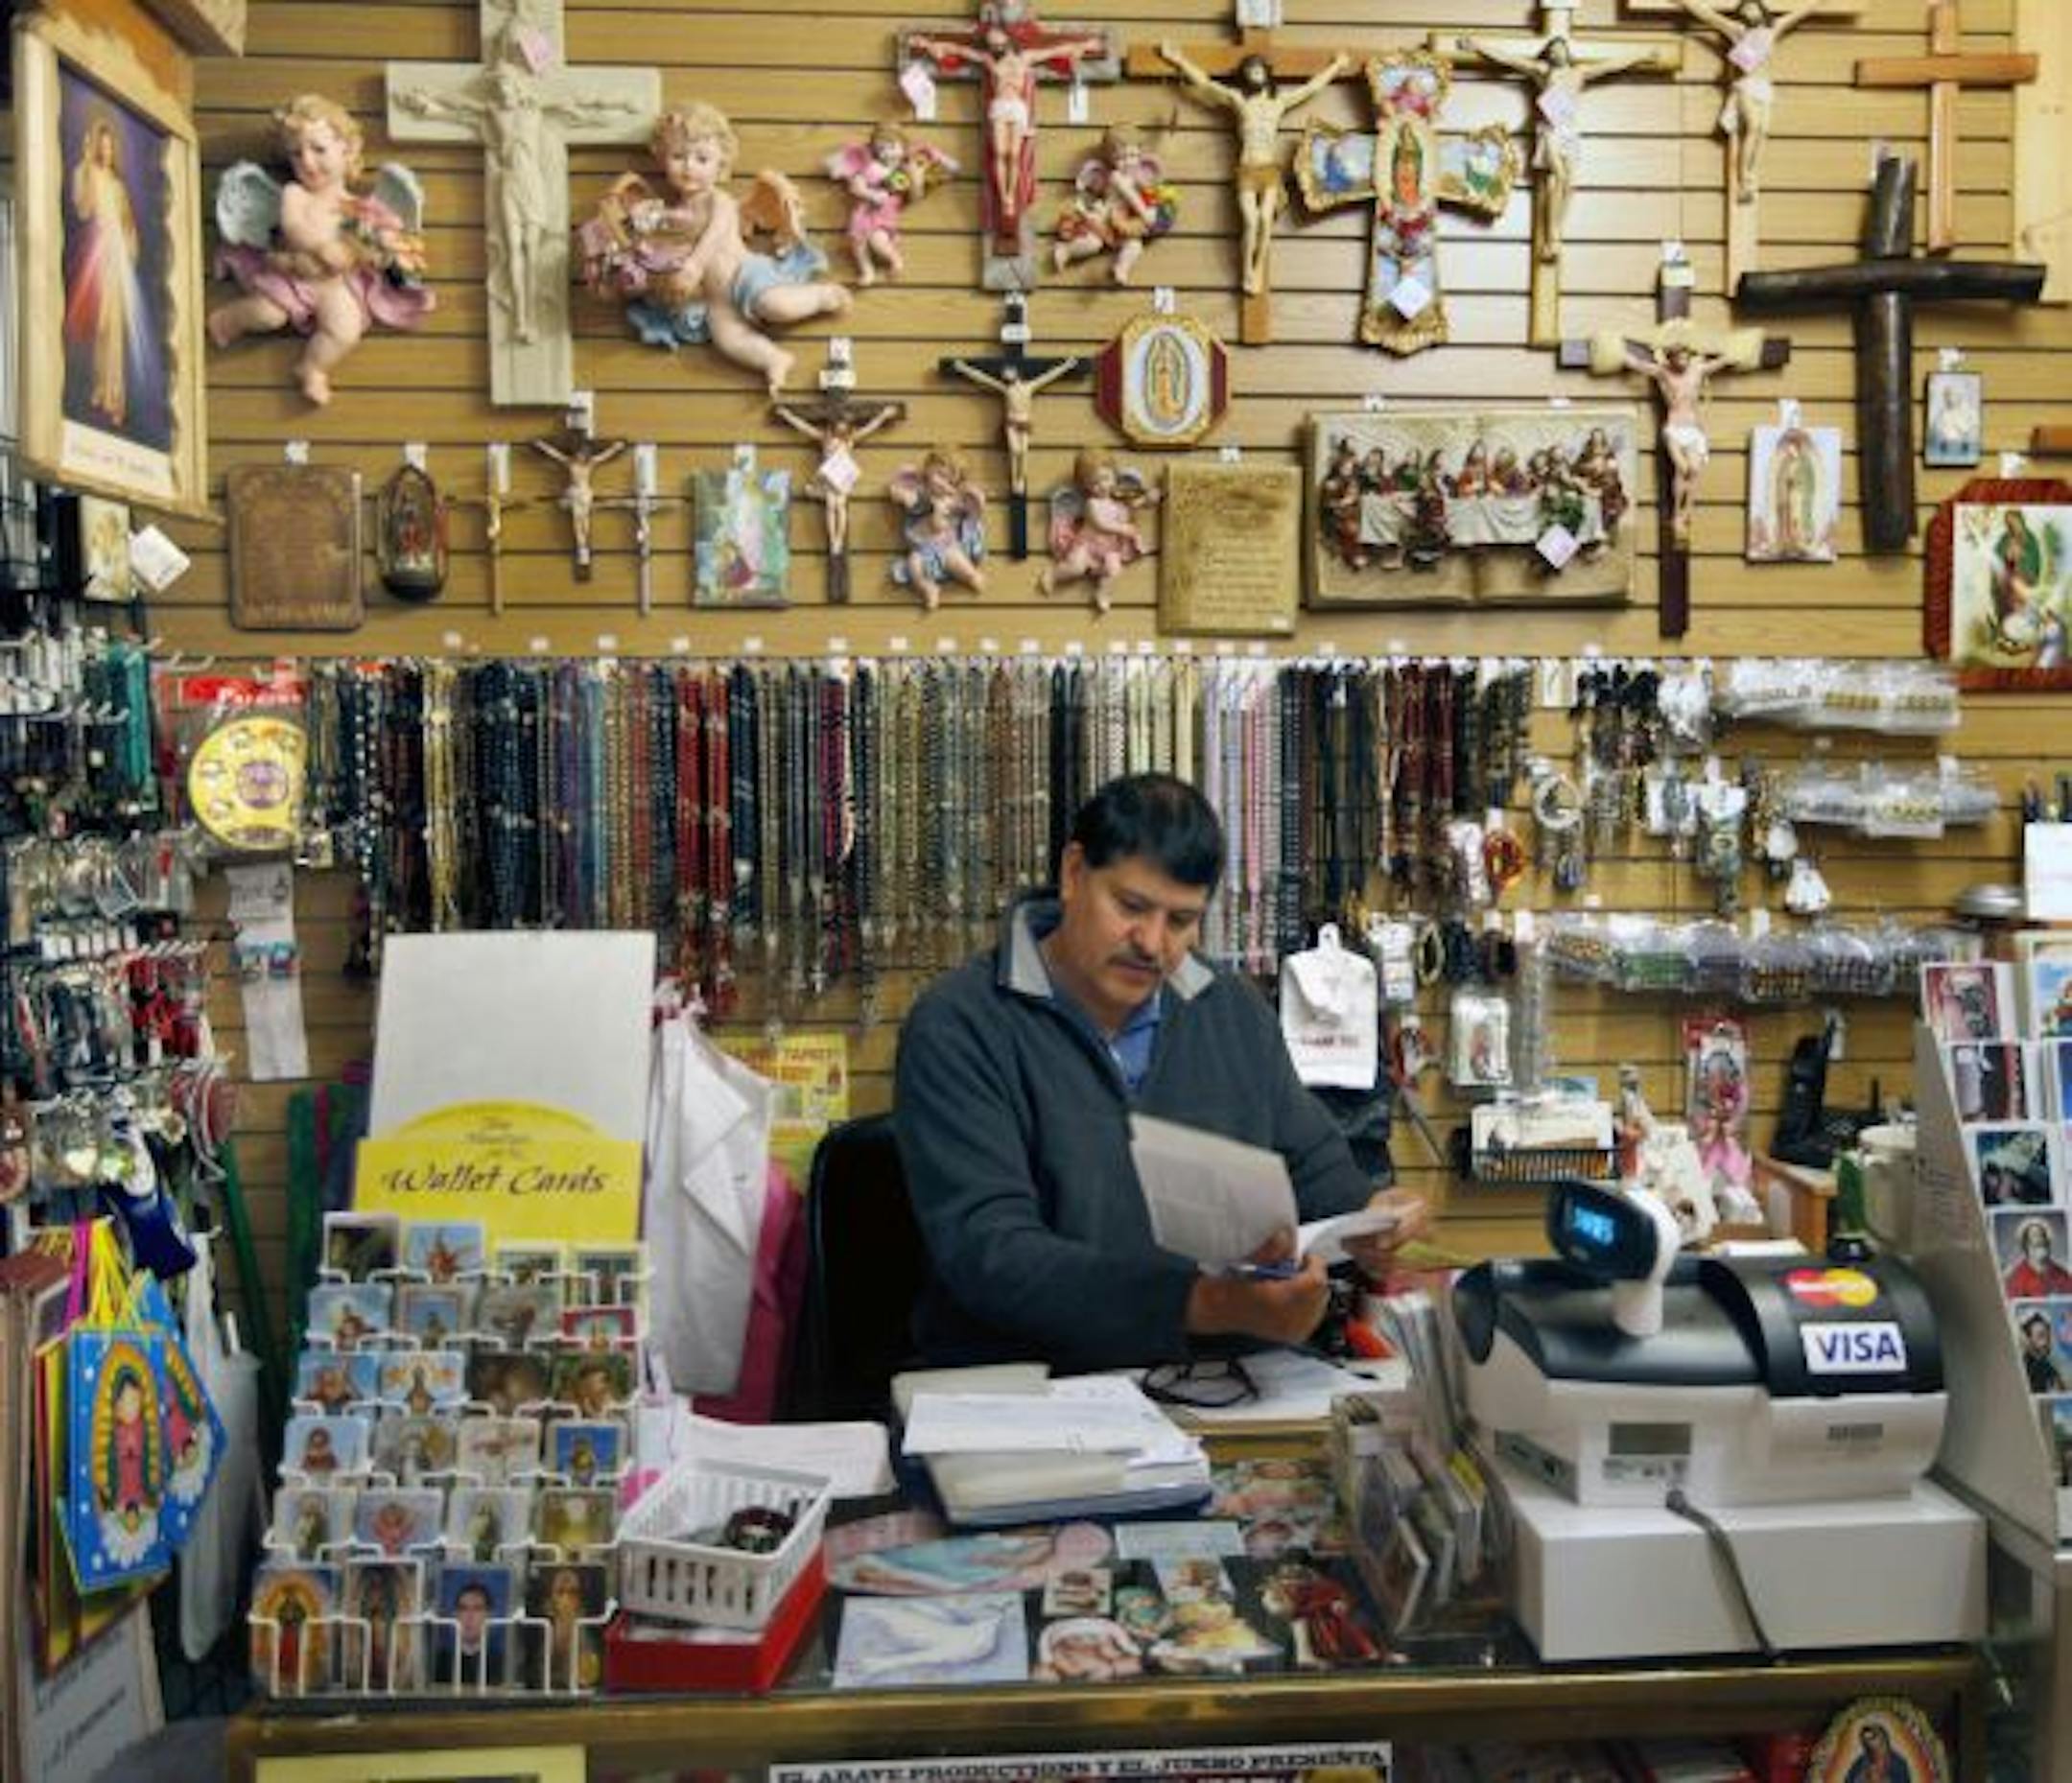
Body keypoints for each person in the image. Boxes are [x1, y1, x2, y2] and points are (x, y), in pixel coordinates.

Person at [895, 773, 1428, 1371]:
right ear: (1074, 874)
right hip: (1026, 1394)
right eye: (1131, 907)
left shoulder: (1229, 1011)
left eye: (1180, 921)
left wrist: (1370, 1223)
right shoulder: (960, 1025)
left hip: (1228, 1393)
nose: (1151, 943)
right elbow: (992, 1256)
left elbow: (1315, 1170)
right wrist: (1203, 1305)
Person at [208, 94, 434, 406]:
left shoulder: (357, 207)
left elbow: (374, 244)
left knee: (346, 330)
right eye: (296, 154)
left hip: (334, 285)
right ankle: (227, 319)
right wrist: (322, 245)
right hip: (294, 276)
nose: (308, 162)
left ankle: (312, 368)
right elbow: (293, 228)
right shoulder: (294, 194)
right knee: (267, 315)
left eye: (318, 149)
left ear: (347, 149)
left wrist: (367, 248)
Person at [1160, 45, 1348, 295]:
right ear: (1245, 75)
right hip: (1247, 170)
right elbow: (1205, 83)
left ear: (1266, 73)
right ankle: (1247, 269)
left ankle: (1258, 268)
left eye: (1259, 69)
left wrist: (1336, 66)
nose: (1255, 73)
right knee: (1250, 220)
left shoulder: (1278, 103)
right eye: (1250, 70)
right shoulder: (1239, 101)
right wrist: (1178, 59)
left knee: (1264, 220)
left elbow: (1311, 88)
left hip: (1269, 171)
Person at [65, 118, 143, 429]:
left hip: (117, 258)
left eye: (110, 148)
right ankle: (100, 388)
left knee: (114, 329)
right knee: (100, 326)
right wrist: (84, 163)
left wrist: (128, 247)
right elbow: (83, 210)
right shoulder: (90, 175)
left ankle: (115, 397)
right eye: (102, 147)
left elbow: (128, 227)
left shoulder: (118, 186)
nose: (106, 152)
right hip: (98, 257)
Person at [2005, 1219, 2072, 1298]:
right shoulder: (2016, 1277)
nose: (2040, 1240)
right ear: (2026, 1245)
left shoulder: (2062, 1274)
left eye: (2043, 1236)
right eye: (2034, 1236)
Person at [1844, 1720, 1913, 1783]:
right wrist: (1864, 1778)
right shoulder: (1861, 1762)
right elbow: (1850, 1780)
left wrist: (1883, 1780)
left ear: (1882, 1738)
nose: (1870, 1743)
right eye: (1866, 1740)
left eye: (1873, 1737)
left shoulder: (1898, 1764)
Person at [2020, 1311, 2064, 1394]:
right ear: (2028, 1340)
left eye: (2048, 1336)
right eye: (2040, 1336)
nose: (2046, 1342)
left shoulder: (2048, 1365)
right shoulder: (2026, 1366)